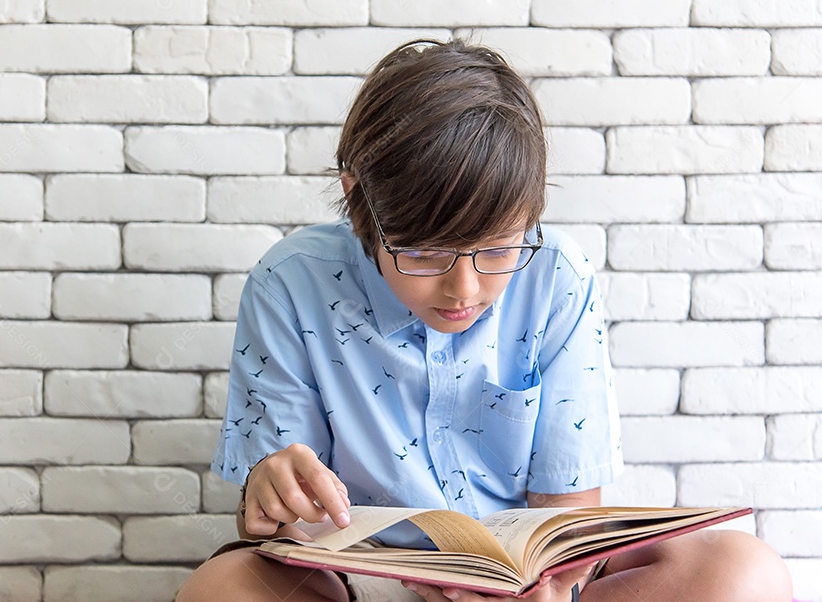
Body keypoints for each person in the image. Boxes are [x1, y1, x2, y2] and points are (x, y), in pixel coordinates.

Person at [176, 39, 791, 602]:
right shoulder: (291, 282)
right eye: (425, 253)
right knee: (221, 589)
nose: (464, 290)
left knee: (744, 572)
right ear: (358, 197)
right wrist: (271, 490)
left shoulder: (555, 276)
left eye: (499, 249)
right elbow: (275, 531)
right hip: (366, 582)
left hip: (525, 587)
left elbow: (568, 521)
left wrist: (539, 587)